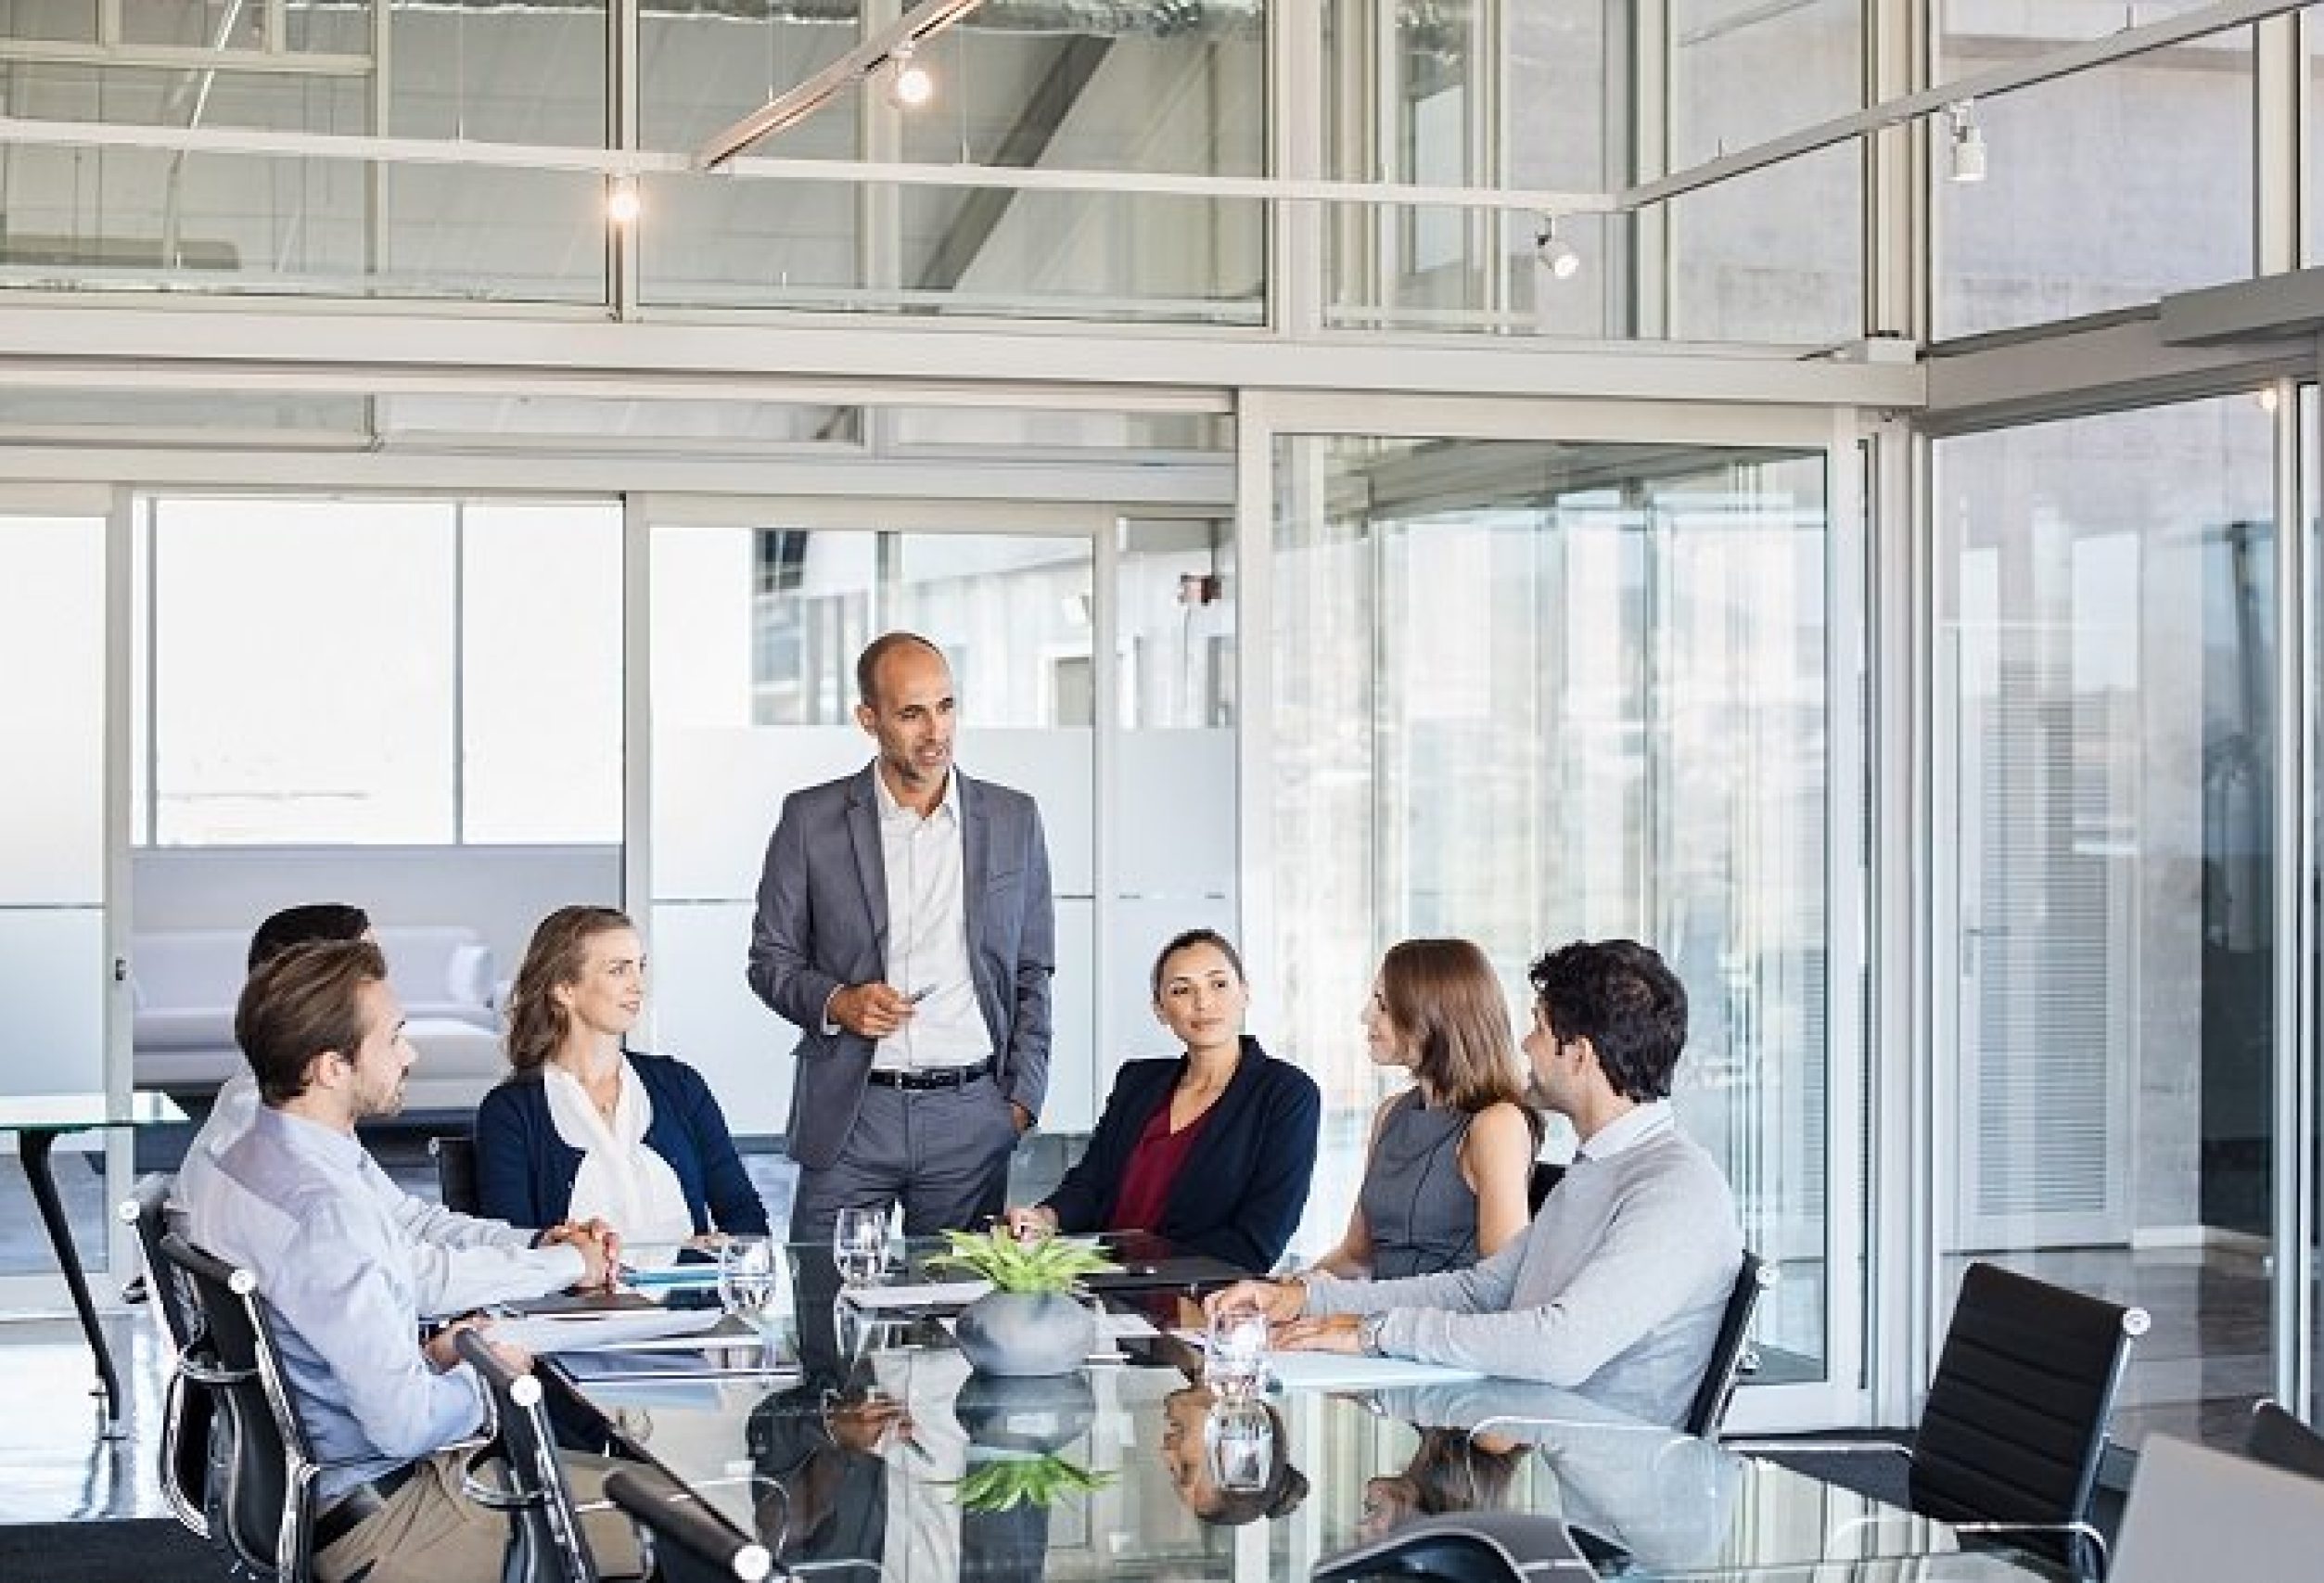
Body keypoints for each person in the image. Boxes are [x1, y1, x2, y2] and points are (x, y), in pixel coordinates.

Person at [181, 939, 640, 1583]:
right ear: (332, 1067)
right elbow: (403, 1424)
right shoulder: (326, 1209)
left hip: (324, 1497)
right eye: (395, 1037)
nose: (410, 1054)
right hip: (394, 1522)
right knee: (681, 1520)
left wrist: (442, 1350)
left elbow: (374, 1285)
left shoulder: (255, 1157)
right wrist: (492, 1373)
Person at [1207, 939, 1742, 1427]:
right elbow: (1482, 1289)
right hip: (1545, 1447)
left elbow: (1561, 1346)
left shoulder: (1675, 1188)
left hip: (1605, 1500)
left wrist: (1372, 1334)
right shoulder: (1598, 1168)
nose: (1525, 1044)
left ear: (1578, 1055)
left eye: (1538, 1027)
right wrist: (1303, 1302)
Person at [747, 631, 1055, 1243]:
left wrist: (1020, 1100)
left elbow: (1033, 968)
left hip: (971, 1112)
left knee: (955, 1321)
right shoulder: (811, 819)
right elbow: (770, 959)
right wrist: (839, 1001)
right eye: (912, 712)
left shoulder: (1014, 817)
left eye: (945, 706)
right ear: (869, 718)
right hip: (852, 1111)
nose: (935, 731)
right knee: (825, 1314)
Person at [174, 902, 601, 1317]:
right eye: (366, 964)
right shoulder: (277, 1144)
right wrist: (564, 1263)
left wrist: (538, 1244)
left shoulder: (296, 1117)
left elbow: (405, 1224)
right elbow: (406, 1279)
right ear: (313, 993)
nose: (384, 985)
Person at [1003, 929, 1320, 1271]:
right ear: (1160, 1009)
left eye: (1219, 984)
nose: (1203, 1002)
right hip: (1108, 1295)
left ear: (1244, 993)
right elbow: (1092, 1185)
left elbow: (1257, 1241)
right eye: (1181, 990)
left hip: (1202, 1303)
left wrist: (1140, 1273)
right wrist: (1045, 1218)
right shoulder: (1137, 1082)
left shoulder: (1287, 1094)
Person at [475, 905, 768, 1241]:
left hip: (690, 1291)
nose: (638, 986)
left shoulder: (680, 1085)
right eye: (618, 970)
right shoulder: (510, 1112)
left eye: (639, 968)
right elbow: (514, 1245)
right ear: (564, 989)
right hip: (579, 1294)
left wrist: (727, 1252)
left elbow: (743, 1211)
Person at [1309, 938, 1540, 1279]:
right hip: (1370, 1319)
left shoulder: (1497, 1125)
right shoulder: (1391, 1114)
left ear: (1433, 1017)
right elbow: (1356, 1258)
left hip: (1433, 1327)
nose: (1365, 1016)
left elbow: (1499, 1284)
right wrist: (1281, 1291)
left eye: (1383, 1005)